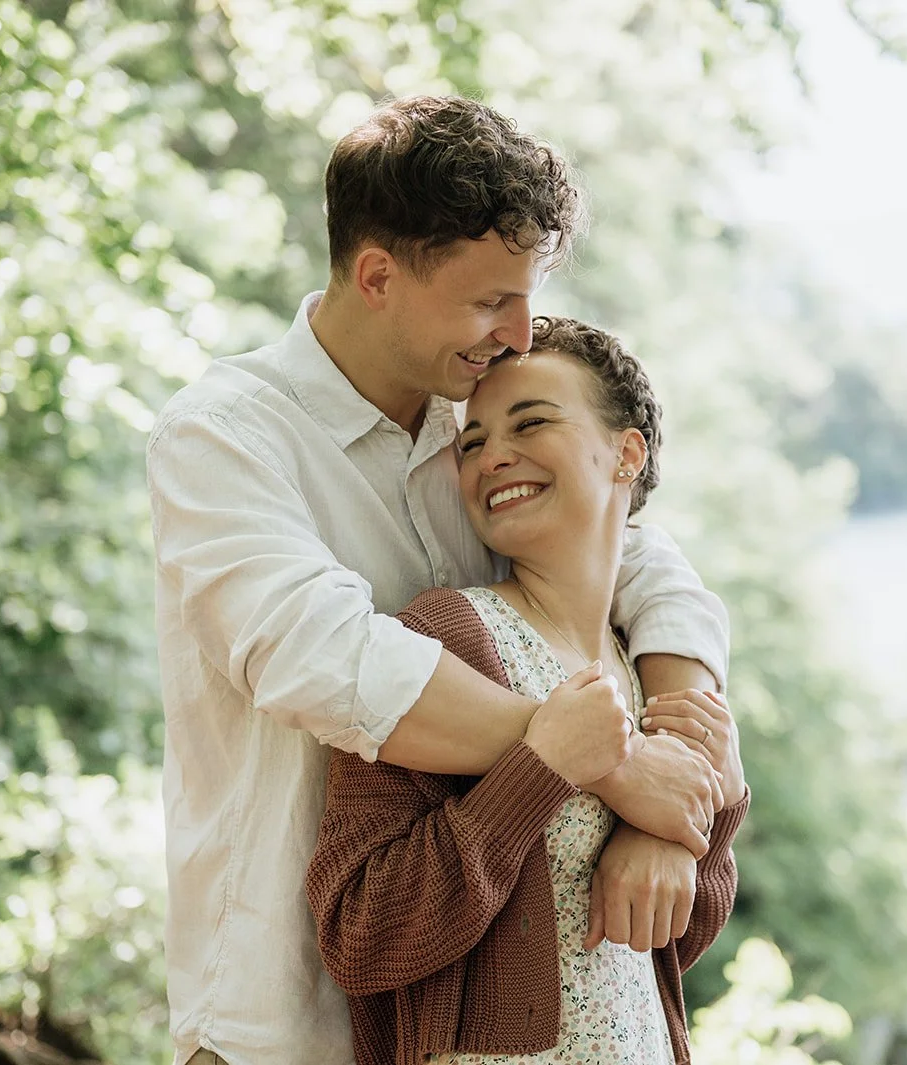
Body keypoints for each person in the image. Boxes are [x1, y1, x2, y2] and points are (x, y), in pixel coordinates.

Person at [147, 96, 732, 1065]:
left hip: (452, 1016)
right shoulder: (224, 437)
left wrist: (683, 772)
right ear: (376, 275)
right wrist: (610, 764)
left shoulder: (470, 433)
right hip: (279, 1022)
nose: (519, 329)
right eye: (489, 299)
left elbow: (639, 553)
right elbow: (328, 658)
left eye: (527, 295)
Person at [307, 317, 749, 1064]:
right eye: (472, 441)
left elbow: (662, 941)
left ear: (626, 452)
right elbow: (360, 933)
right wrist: (538, 770)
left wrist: (705, 821)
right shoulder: (445, 639)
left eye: (531, 422)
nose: (492, 457)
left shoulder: (652, 671)